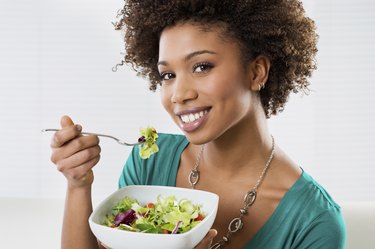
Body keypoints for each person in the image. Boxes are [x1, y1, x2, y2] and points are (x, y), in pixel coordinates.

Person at [49, 0, 346, 248]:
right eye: (168, 75)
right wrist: (78, 185)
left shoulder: (313, 223)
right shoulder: (149, 161)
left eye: (201, 67)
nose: (179, 94)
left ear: (256, 72)